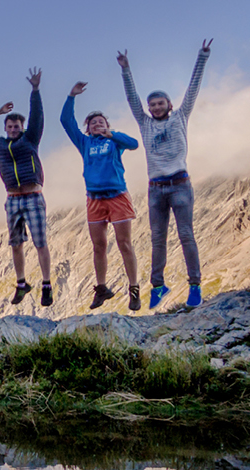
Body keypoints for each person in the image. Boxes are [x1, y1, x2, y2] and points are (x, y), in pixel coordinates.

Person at [120, 40, 212, 308]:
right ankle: (158, 287)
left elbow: (193, 87)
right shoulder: (145, 123)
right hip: (155, 188)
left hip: (180, 184)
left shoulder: (180, 116)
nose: (156, 107)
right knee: (157, 238)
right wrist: (126, 70)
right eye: (152, 105)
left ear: (169, 104)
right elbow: (131, 98)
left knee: (186, 234)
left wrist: (202, 56)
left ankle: (195, 286)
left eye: (160, 103)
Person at [0, 67, 53, 306]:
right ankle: (21, 283)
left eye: (17, 125)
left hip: (33, 195)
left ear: (22, 127)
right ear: (5, 128)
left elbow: (37, 115)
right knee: (16, 243)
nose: (13, 128)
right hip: (13, 199)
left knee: (40, 242)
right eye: (9, 126)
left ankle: (46, 284)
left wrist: (35, 90)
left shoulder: (31, 138)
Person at [63, 81, 143, 310]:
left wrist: (112, 134)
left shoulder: (114, 141)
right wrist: (71, 96)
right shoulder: (84, 142)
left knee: (124, 243)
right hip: (94, 199)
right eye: (93, 122)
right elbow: (65, 122)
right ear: (87, 129)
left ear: (107, 125)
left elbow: (135, 144)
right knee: (98, 245)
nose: (97, 124)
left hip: (118, 196)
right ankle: (101, 288)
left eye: (101, 122)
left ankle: (134, 288)